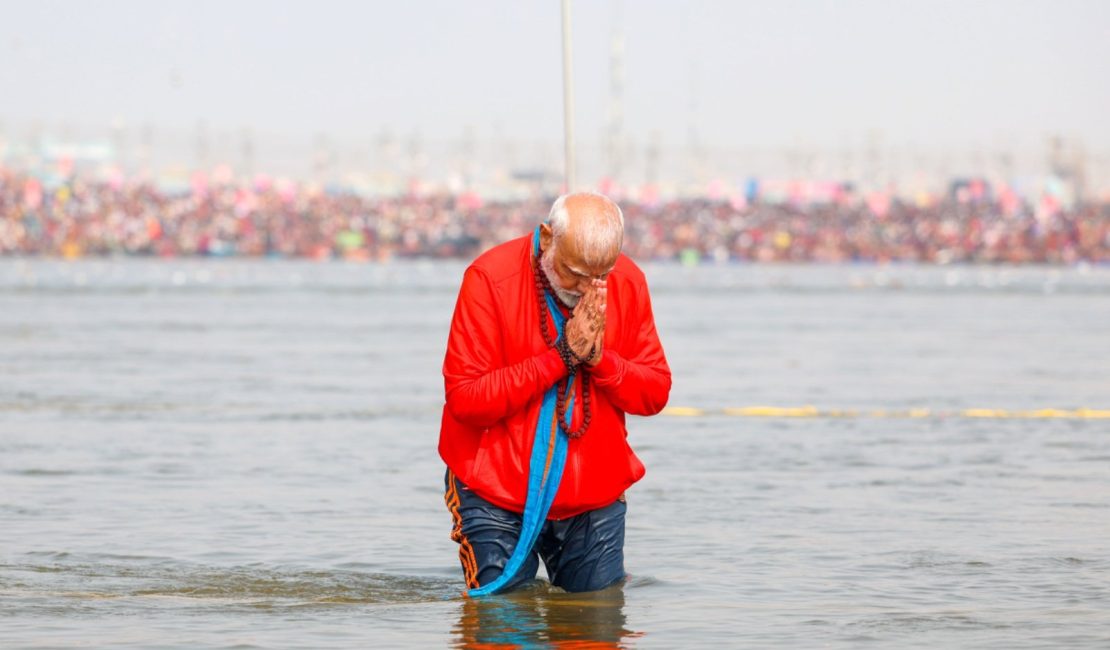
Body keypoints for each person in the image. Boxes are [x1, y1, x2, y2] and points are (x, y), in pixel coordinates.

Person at [439, 191, 671, 594]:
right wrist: (561, 357)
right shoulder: (489, 278)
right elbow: (467, 400)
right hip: (495, 490)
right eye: (574, 273)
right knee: (500, 629)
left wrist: (601, 361)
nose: (586, 288)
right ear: (546, 237)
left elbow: (654, 393)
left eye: (600, 276)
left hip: (592, 497)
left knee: (597, 628)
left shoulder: (628, 282)